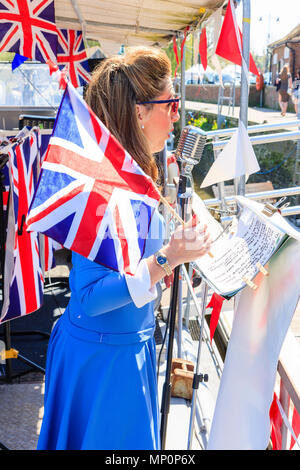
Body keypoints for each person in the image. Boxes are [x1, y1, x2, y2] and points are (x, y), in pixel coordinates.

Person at [37, 46, 211, 450]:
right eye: (171, 105)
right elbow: (91, 296)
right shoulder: (106, 186)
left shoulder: (134, 175)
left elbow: (137, 270)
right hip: (102, 364)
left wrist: (177, 254)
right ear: (139, 112)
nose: (177, 117)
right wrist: (168, 257)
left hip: (126, 351)